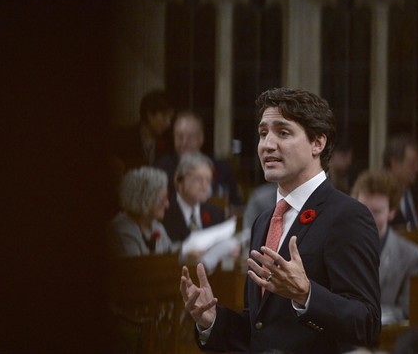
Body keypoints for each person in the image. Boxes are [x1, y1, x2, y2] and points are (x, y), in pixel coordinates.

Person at [179, 88, 382, 353]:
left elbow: (367, 324)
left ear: (317, 143)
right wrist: (211, 321)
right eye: (263, 133)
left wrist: (307, 294)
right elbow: (260, 330)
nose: (267, 144)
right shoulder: (264, 221)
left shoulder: (347, 216)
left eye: (283, 133)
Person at [351, 170, 418, 325]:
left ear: (391, 212)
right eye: (361, 208)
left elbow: (407, 309)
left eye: (376, 212)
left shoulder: (411, 255)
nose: (366, 218)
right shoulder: (337, 246)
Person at [163, 152, 239, 267]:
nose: (205, 186)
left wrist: (234, 250)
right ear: (178, 181)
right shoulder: (164, 212)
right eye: (198, 179)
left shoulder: (216, 213)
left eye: (208, 180)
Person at [155, 110, 243, 207]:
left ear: (201, 138)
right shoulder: (162, 168)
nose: (184, 142)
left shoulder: (221, 168)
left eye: (190, 136)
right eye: (179, 137)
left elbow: (236, 205)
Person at [109, 166, 178, 256]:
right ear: (144, 199)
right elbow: (138, 268)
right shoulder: (121, 231)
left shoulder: (156, 226)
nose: (167, 205)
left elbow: (170, 252)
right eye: (162, 200)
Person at [111, 90, 175, 171]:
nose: (168, 123)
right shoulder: (123, 138)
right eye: (164, 117)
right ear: (150, 114)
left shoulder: (169, 141)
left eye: (170, 118)